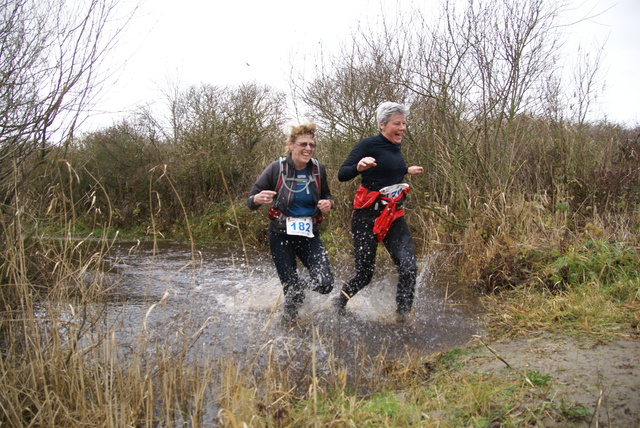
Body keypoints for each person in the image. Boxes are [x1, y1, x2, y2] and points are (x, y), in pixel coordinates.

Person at [335, 101, 424, 321]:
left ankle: (402, 317)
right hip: (366, 217)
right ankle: (338, 304)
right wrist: (359, 167)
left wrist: (405, 170)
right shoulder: (368, 144)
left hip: (393, 216)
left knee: (408, 266)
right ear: (383, 125)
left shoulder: (396, 147)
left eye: (404, 123)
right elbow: (342, 173)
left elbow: (388, 169)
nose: (402, 128)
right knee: (364, 275)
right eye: (397, 123)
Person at [248, 122, 334, 322]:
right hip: (280, 234)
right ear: (291, 145)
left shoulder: (317, 169)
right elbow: (250, 200)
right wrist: (258, 199)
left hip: (308, 234)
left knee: (325, 283)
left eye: (312, 145)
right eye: (303, 144)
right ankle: (289, 331)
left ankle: (295, 285)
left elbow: (328, 195)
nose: (308, 149)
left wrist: (329, 203)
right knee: (293, 296)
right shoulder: (276, 168)